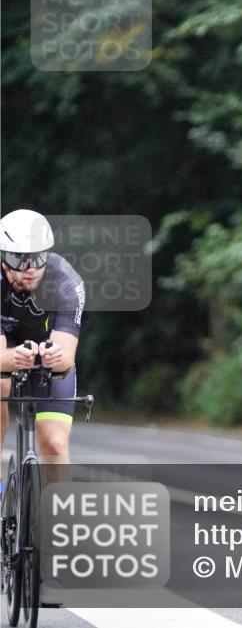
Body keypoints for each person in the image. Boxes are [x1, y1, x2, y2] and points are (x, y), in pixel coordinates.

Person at [0, 209, 85, 607]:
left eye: (37, 258)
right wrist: (13, 358)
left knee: (53, 443)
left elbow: (67, 355)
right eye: (19, 260)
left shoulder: (65, 280)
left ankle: (58, 559)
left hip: (49, 363)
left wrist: (54, 359)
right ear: (3, 258)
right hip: (5, 358)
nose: (29, 268)